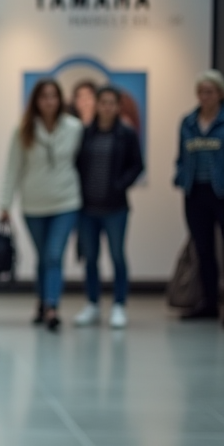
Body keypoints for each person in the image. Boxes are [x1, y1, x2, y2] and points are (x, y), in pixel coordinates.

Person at [0, 78, 83, 329]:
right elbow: (12, 169)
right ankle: (42, 301)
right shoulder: (23, 130)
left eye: (53, 96)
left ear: (61, 100)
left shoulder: (75, 128)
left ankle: (52, 307)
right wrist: (5, 204)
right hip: (33, 205)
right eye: (43, 96)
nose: (49, 101)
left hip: (67, 202)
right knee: (43, 257)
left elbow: (84, 164)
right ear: (36, 101)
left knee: (54, 255)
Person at [73, 86, 144, 328]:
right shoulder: (86, 133)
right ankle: (92, 304)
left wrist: (120, 184)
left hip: (116, 209)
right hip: (87, 209)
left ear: (118, 106)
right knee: (90, 258)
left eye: (111, 103)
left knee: (117, 256)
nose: (106, 107)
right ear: (97, 105)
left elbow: (137, 165)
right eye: (102, 102)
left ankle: (119, 305)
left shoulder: (126, 134)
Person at [174, 69, 224, 322]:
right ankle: (208, 302)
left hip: (221, 192)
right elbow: (182, 156)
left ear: (219, 94)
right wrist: (180, 176)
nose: (205, 96)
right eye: (201, 92)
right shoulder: (188, 122)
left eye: (210, 92)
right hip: (195, 192)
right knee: (203, 249)